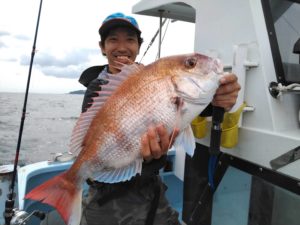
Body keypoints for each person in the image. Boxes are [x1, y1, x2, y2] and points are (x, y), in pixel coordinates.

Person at [41, 12, 240, 225]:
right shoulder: (97, 87)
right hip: (108, 197)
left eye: (130, 39)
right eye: (113, 39)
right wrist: (146, 156)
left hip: (152, 190)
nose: (122, 46)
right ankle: (69, 185)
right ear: (102, 47)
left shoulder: (152, 78)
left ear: (138, 45)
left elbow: (190, 104)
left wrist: (220, 100)